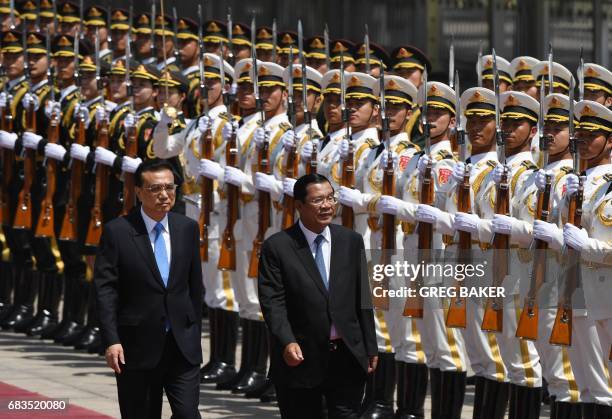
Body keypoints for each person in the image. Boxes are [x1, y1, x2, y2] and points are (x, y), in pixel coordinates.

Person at [258, 173, 377, 419]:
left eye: (331, 199)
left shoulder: (350, 241)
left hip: (346, 356)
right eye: (318, 200)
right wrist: (287, 340)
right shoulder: (278, 246)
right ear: (299, 205)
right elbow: (273, 303)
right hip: (301, 357)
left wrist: (370, 345)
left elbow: (362, 298)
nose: (327, 205)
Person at [94, 159, 203, 419]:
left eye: (170, 187)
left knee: (188, 414)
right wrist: (111, 340)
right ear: (139, 192)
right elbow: (105, 291)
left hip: (182, 345)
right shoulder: (118, 232)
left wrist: (193, 328)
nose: (164, 195)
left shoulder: (186, 227)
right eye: (155, 189)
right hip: (137, 346)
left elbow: (194, 286)